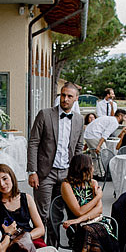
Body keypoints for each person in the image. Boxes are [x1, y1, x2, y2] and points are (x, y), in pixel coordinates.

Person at [60, 154, 124, 252]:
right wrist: (97, 197)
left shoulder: (93, 183)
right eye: (91, 166)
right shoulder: (66, 186)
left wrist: (79, 219)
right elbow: (78, 210)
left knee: (88, 232)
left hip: (100, 226)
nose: (93, 169)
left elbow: (99, 210)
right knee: (91, 243)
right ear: (83, 168)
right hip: (77, 229)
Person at [28, 81, 86, 220]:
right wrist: (32, 171)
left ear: (76, 98)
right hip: (45, 172)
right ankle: (41, 242)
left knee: (57, 213)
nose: (65, 99)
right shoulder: (45, 114)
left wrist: (78, 174)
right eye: (63, 95)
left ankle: (55, 242)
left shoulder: (79, 119)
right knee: (42, 214)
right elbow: (33, 143)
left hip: (67, 173)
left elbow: (78, 148)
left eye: (69, 96)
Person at [0, 163, 48, 247]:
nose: (2, 184)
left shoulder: (26, 198)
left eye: (5, 179)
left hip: (29, 240)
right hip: (8, 245)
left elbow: (41, 229)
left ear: (12, 178)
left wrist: (25, 238)